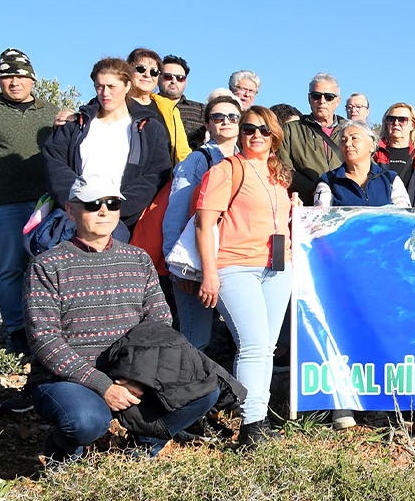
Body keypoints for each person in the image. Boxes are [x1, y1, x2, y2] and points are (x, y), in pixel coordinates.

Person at [24, 176, 220, 462]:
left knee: (206, 388)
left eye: (112, 204)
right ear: (70, 210)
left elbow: (159, 323)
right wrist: (102, 385)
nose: (103, 211)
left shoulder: (138, 259)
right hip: (69, 378)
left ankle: (144, 444)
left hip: (131, 372)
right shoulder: (47, 265)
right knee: (86, 420)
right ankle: (63, 452)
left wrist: (136, 376)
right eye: (92, 205)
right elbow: (45, 342)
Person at [193, 105, 294, 447]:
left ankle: (259, 419)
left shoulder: (277, 174)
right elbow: (204, 224)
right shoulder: (226, 170)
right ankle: (251, 426)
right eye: (249, 128)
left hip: (278, 268)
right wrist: (209, 273)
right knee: (251, 346)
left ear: (275, 136)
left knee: (266, 347)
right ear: (239, 132)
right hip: (236, 266)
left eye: (264, 130)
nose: (256, 135)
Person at [42, 57, 171, 232]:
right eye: (99, 87)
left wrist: (116, 208)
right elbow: (55, 164)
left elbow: (155, 174)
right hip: (76, 219)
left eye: (112, 87)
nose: (105, 93)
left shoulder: (150, 129)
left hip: (124, 223)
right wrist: (79, 202)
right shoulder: (75, 124)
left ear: (127, 86)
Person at [0, 48, 57, 356]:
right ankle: (16, 329)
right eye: (7, 77)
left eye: (20, 76)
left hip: (46, 201)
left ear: (32, 78)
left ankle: (52, 327)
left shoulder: (52, 111)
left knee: (51, 265)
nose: (14, 82)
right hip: (2, 202)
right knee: (9, 267)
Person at [162, 95, 243, 351]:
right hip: (194, 261)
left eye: (232, 117)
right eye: (217, 117)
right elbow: (176, 211)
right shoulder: (198, 160)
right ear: (207, 124)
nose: (225, 122)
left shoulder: (248, 160)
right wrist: (178, 268)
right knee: (195, 340)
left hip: (233, 258)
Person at [279, 72, 344, 202]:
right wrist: (315, 190)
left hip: (345, 204)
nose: (322, 101)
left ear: (338, 101)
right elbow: (283, 168)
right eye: (316, 96)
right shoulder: (290, 130)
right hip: (306, 204)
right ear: (309, 99)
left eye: (329, 97)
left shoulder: (351, 130)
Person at [314, 120, 410, 208]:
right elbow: (321, 220)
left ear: (372, 146)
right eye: (343, 140)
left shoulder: (390, 180)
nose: (348, 144)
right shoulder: (328, 181)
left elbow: (404, 217)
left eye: (354, 138)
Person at [125, 48, 190, 165]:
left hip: (164, 181)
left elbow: (182, 152)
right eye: (141, 69)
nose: (147, 75)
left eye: (154, 72)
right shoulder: (116, 104)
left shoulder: (168, 109)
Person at [374, 102, 415, 204]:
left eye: (402, 119)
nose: (396, 123)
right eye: (391, 119)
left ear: (412, 125)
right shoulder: (375, 155)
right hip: (381, 216)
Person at [158, 55, 204, 151]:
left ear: (185, 81)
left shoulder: (201, 110)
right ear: (158, 78)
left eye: (180, 78)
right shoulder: (148, 106)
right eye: (168, 77)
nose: (174, 81)